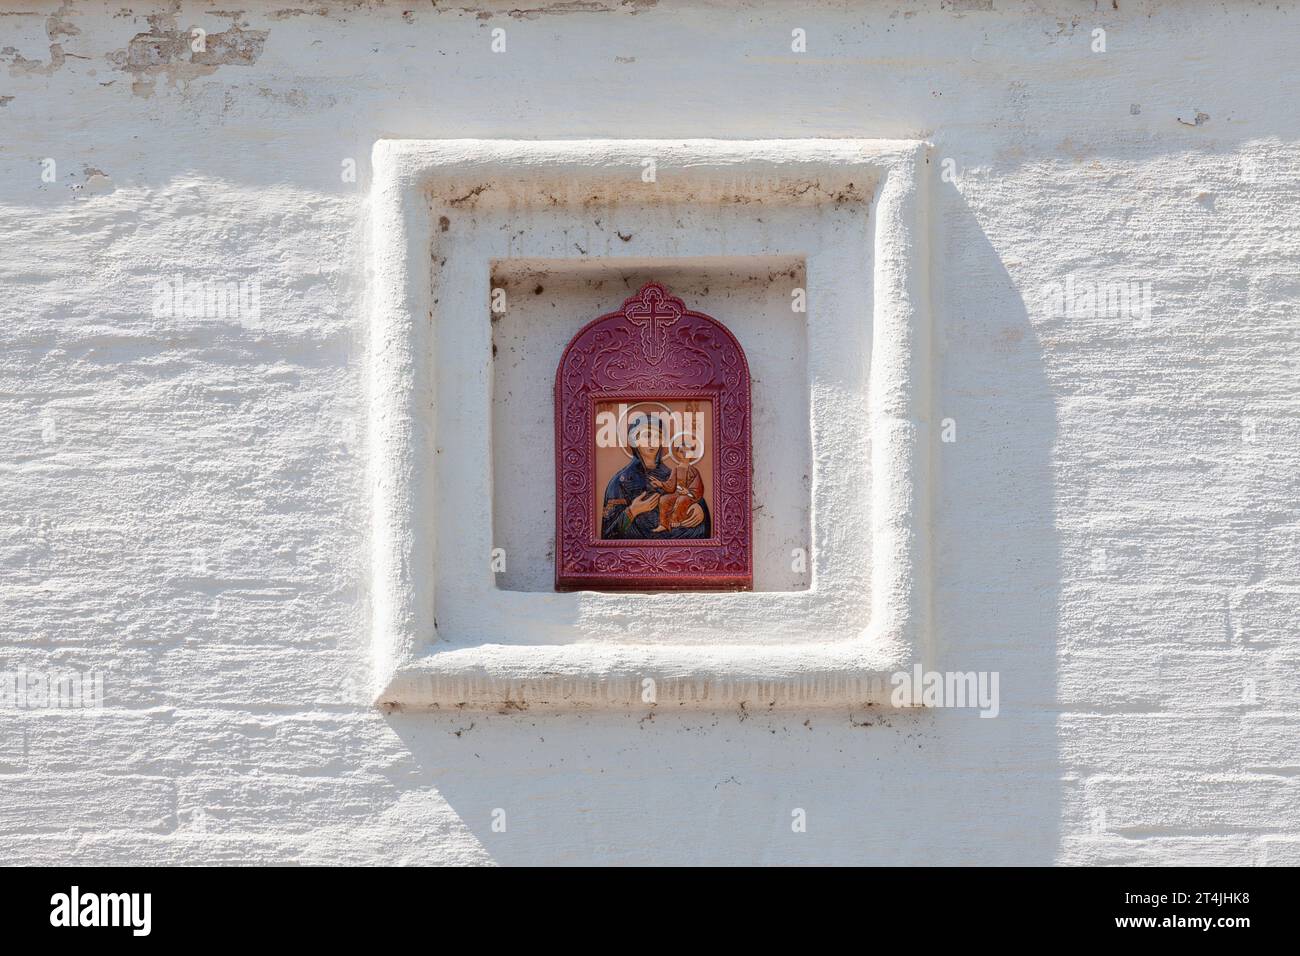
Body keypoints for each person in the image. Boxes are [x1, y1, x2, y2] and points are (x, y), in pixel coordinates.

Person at [600, 414, 710, 539]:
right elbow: (608, 533)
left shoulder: (672, 474)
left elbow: (694, 494)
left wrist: (700, 510)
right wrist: (632, 511)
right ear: (634, 440)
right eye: (647, 435)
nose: (653, 441)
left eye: (658, 436)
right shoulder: (621, 481)